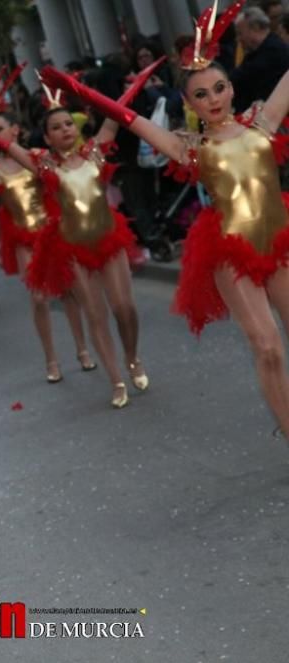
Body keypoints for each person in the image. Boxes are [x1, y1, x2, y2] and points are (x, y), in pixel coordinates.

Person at [42, 0, 289, 436]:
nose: (212, 99)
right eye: (200, 93)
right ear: (188, 101)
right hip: (232, 251)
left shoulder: (261, 123)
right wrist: (81, 93)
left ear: (231, 88)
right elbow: (129, 119)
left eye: (219, 88)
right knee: (267, 346)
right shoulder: (188, 147)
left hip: (280, 238)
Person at [0, 61, 158, 408]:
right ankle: (116, 378)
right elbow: (6, 147)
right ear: (47, 136)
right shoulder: (44, 165)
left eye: (68, 124)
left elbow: (116, 114)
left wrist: (137, 81)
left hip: (109, 239)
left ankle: (133, 358)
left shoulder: (96, 152)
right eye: (56, 127)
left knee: (124, 308)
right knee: (96, 314)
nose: (64, 130)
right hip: (73, 246)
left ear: (77, 126)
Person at [0, 107, 97, 383]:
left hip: (52, 232)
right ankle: (51, 359)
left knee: (69, 292)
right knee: (39, 298)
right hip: (22, 239)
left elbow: (60, 182)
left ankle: (82, 350)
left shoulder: (36, 157)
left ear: (14, 130)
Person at [232, 5, 289, 112]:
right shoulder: (258, 52)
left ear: (255, 28)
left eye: (240, 33)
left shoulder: (274, 51)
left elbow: (240, 79)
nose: (238, 39)